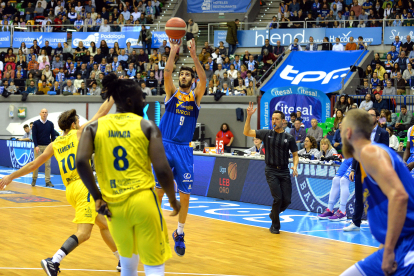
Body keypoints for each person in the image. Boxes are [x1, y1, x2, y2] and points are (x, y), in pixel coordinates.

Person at [73, 73, 180, 276]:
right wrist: (173, 200)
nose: (144, 101)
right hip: (143, 202)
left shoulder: (94, 127)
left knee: (128, 267)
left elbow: (80, 161)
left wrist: (97, 198)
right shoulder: (147, 126)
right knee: (154, 267)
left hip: (114, 208)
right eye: (142, 97)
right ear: (130, 101)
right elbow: (163, 170)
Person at [0, 98, 122, 275]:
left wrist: (10, 176)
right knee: (85, 233)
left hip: (70, 191)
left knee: (103, 224)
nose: (80, 124)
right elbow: (102, 113)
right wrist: (113, 93)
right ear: (73, 125)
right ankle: (54, 260)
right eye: (78, 122)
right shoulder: (79, 133)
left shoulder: (55, 144)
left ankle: (121, 260)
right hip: (83, 187)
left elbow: (33, 165)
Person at [339, 109, 414, 276]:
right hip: (399, 242)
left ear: (349, 132)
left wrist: (388, 251)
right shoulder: (369, 155)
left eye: (341, 130)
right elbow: (390, 210)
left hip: (409, 244)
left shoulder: (370, 153)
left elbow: (399, 197)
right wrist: (385, 247)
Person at [152, 38, 206, 257]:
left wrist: (194, 56)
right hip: (165, 146)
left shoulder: (195, 97)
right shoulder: (172, 94)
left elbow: (204, 79)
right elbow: (166, 73)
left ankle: (180, 233)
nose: (183, 76)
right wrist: (173, 52)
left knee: (185, 196)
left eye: (187, 74)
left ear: (191, 80)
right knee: (158, 193)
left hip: (183, 149)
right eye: (181, 74)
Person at [243, 103, 299, 234]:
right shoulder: (266, 133)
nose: (274, 121)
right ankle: (275, 225)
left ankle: (274, 213)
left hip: (284, 171)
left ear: (283, 121)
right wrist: (249, 116)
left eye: (277, 119)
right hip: (271, 170)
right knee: (278, 198)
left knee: (287, 200)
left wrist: (295, 166)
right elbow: (246, 132)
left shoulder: (289, 138)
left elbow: (295, 155)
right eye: (273, 119)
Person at [343, 108, 389, 232]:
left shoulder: (383, 133)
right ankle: (356, 223)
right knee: (359, 197)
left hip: (376, 169)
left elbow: (385, 152)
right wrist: (353, 169)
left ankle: (380, 224)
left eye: (372, 115)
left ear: (378, 118)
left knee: (377, 197)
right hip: (361, 168)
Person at [31, 109, 56, 187]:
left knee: (48, 165)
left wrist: (53, 145)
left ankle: (47, 181)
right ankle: (34, 179)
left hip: (47, 147)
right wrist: (36, 146)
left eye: (45, 112)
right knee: (36, 164)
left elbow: (53, 136)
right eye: (43, 112)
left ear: (47, 114)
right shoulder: (36, 123)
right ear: (40, 114)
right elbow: (34, 136)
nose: (44, 114)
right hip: (38, 146)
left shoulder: (50, 124)